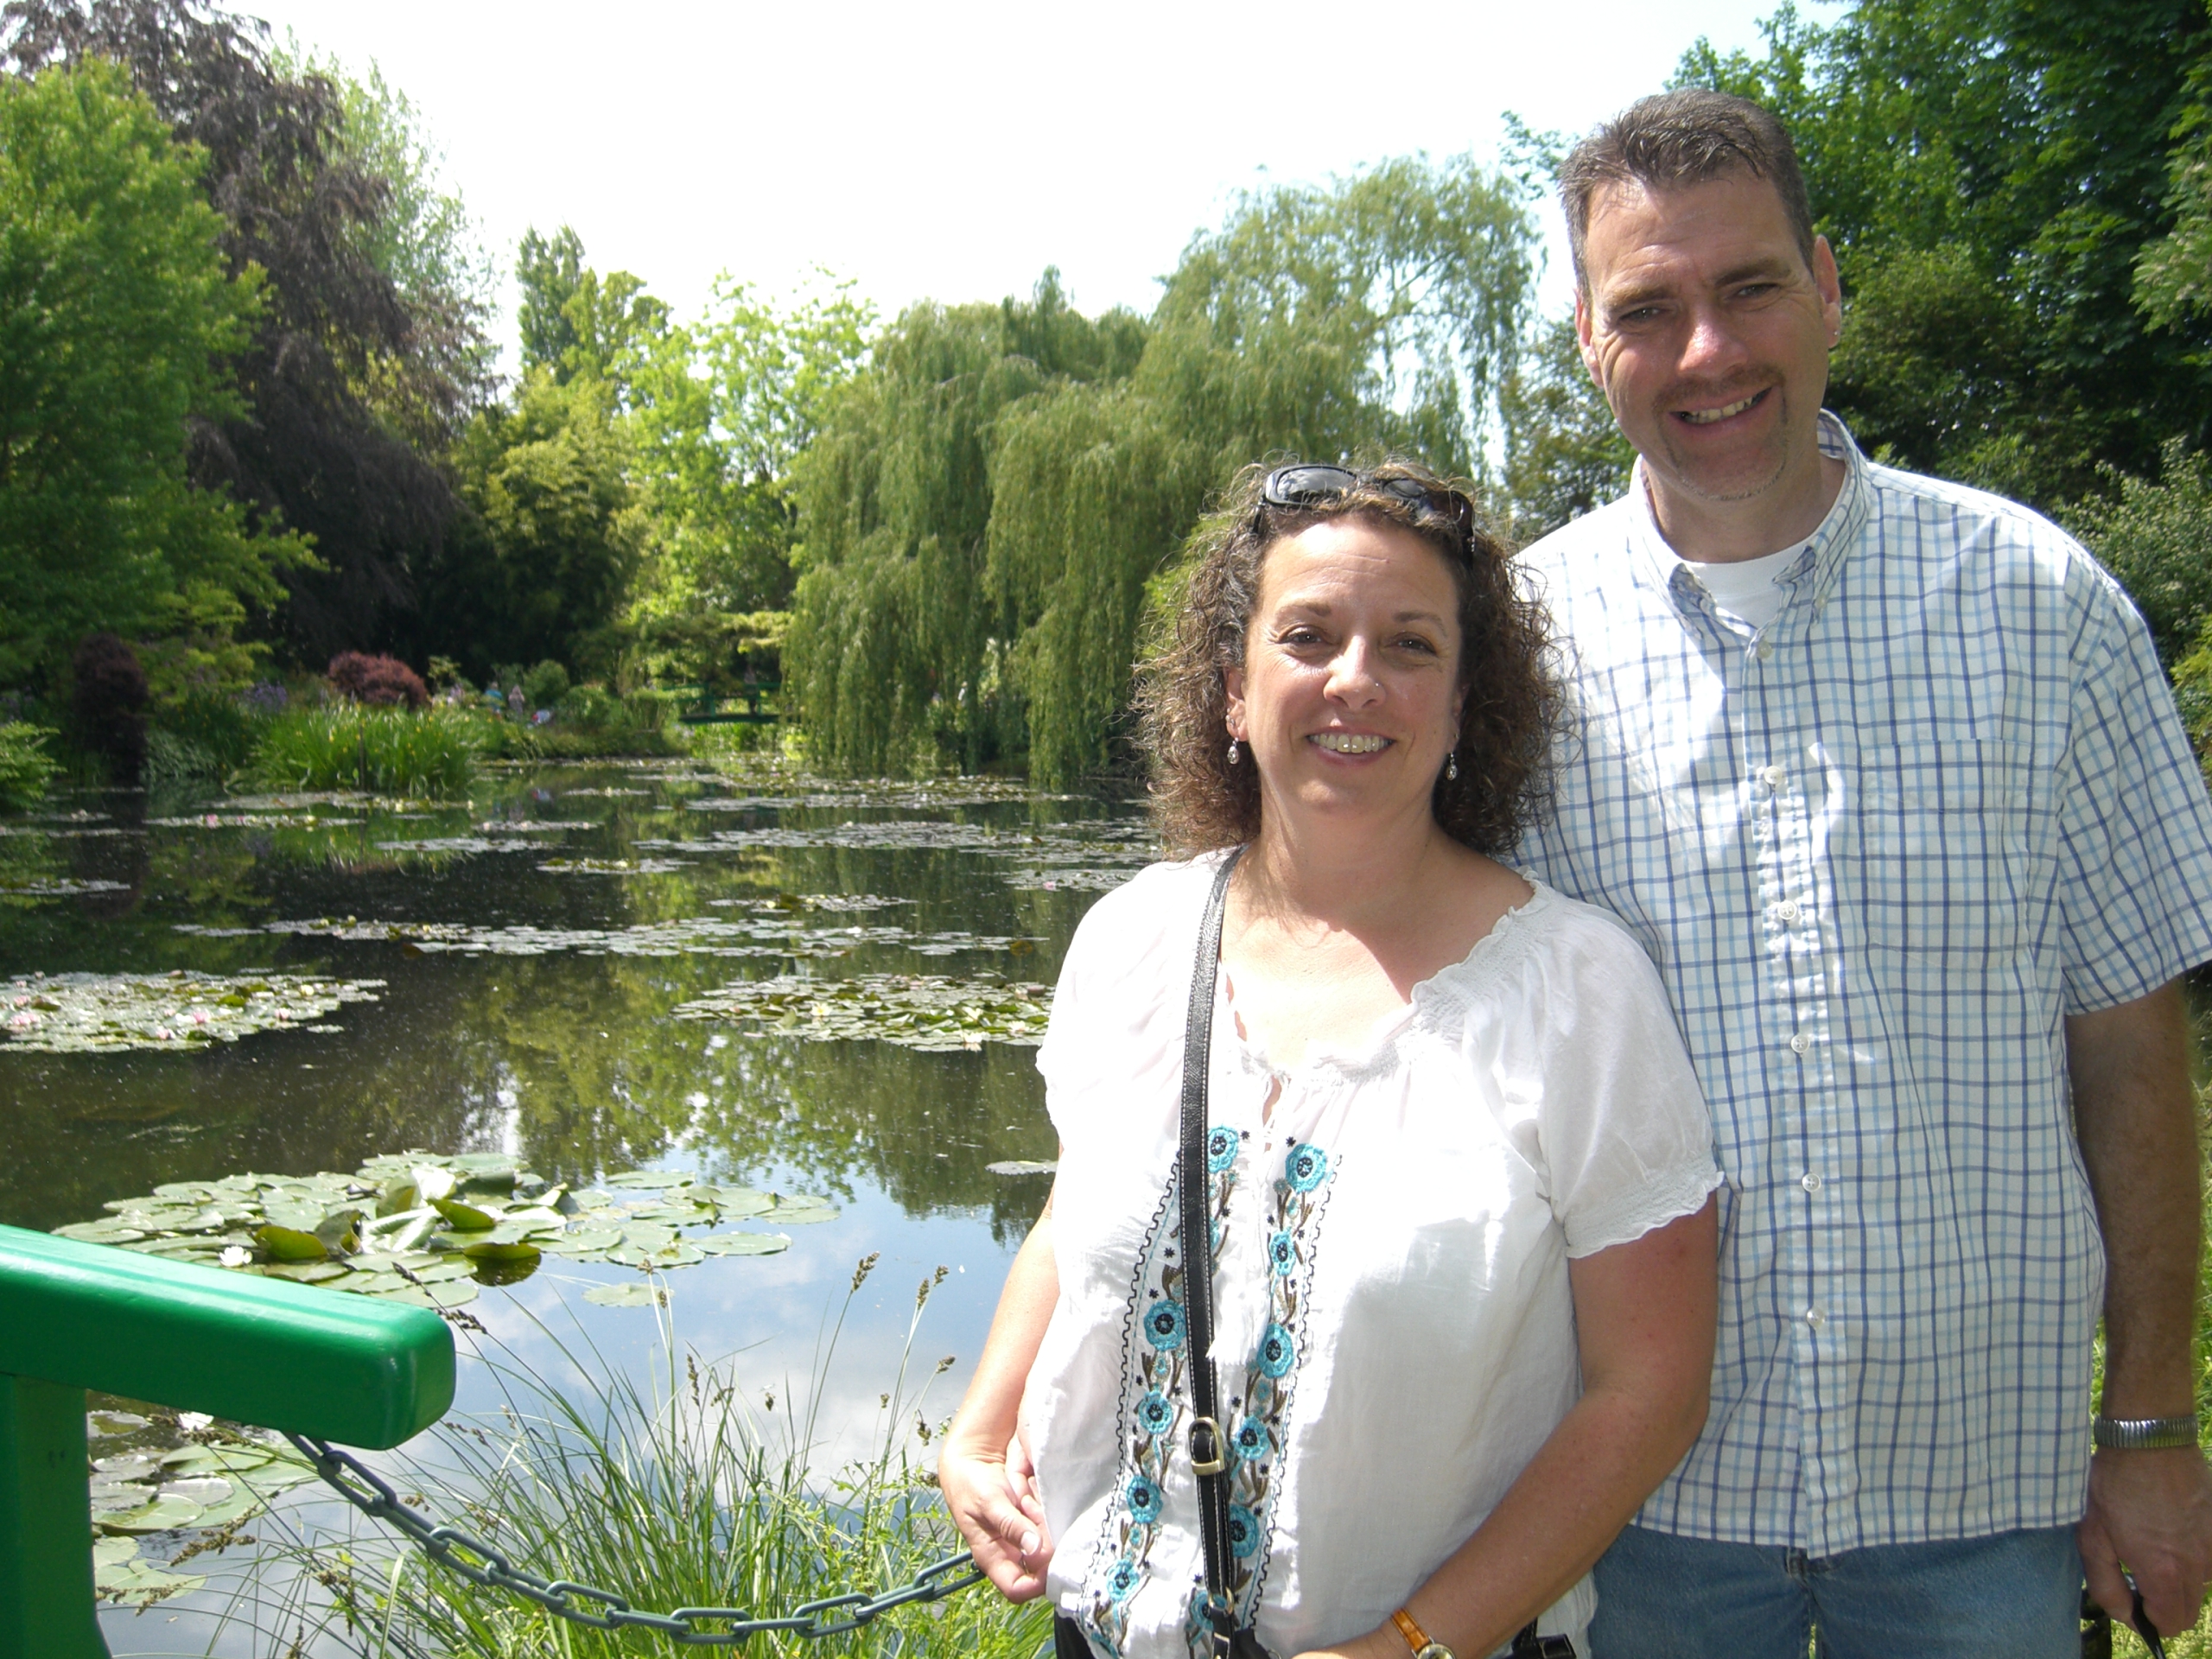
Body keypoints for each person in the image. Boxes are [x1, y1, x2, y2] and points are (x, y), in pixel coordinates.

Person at [1516, 87, 2212, 1657]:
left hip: (1983, 1496)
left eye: (1751, 286)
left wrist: (2153, 1427)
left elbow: (2130, 1048)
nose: (1709, 351)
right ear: (1589, 337)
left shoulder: (2043, 607)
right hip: (1637, 1505)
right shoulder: (1516, 653)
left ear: (1829, 285)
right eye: (1649, 308)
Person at [940, 461, 1723, 1659]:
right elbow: (1075, 1208)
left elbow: (1652, 1391)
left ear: (1461, 707)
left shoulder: (1577, 992)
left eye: (1411, 645)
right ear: (1234, 693)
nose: (1355, 678)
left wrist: (1411, 1645)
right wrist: (982, 1427)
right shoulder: (1132, 940)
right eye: (1308, 636)